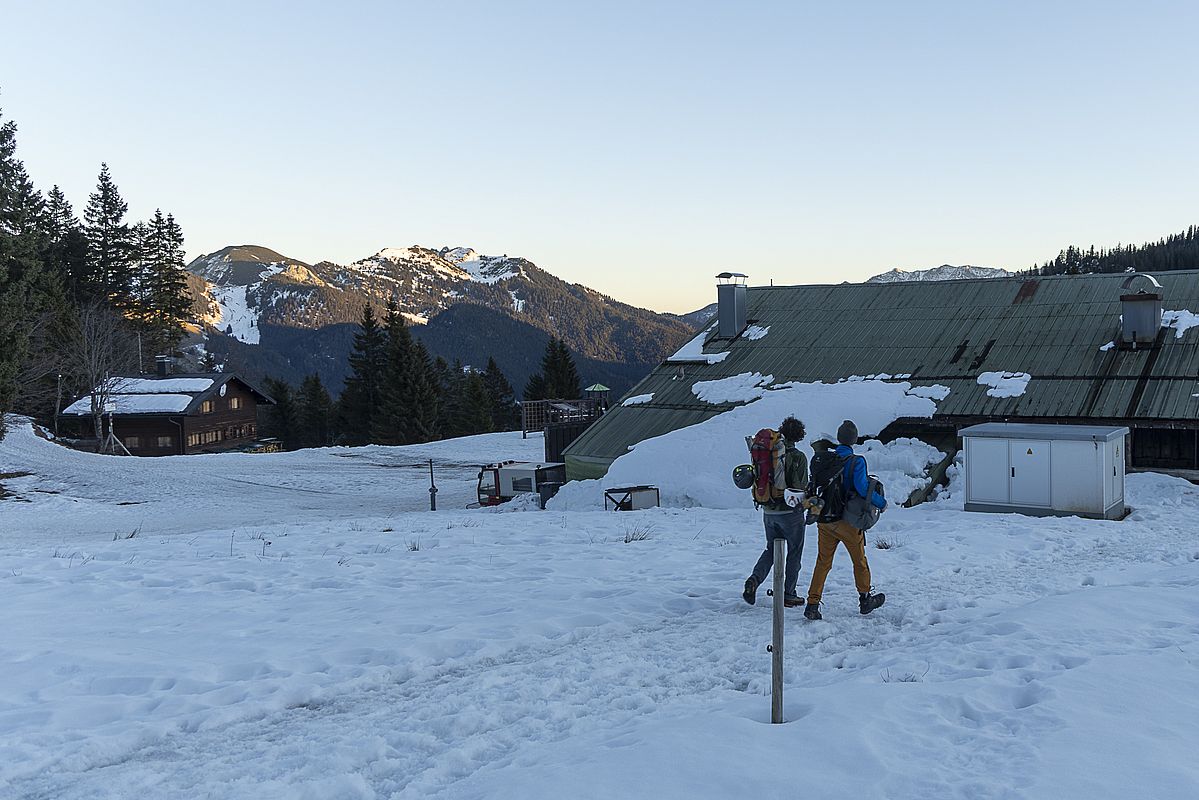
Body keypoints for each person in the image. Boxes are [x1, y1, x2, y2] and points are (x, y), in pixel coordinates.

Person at [804, 419, 887, 620]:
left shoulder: (825, 460)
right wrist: (881, 502)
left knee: (823, 562)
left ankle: (812, 604)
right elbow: (862, 488)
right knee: (859, 561)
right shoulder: (856, 461)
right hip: (848, 521)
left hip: (825, 518)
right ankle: (865, 599)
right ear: (854, 440)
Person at [743, 416, 809, 608]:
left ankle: (754, 579)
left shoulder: (769, 451)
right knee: (794, 551)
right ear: (799, 436)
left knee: (771, 549)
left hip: (768, 510)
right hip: (790, 513)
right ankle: (789, 593)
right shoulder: (798, 456)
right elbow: (799, 487)